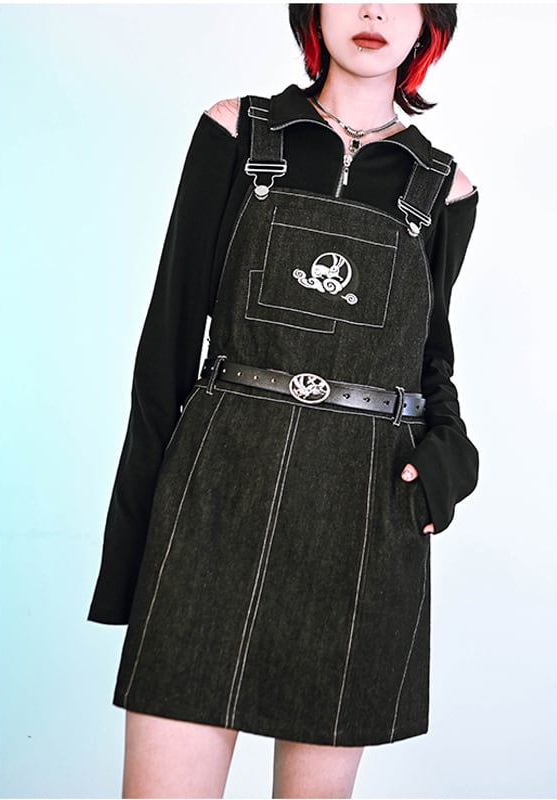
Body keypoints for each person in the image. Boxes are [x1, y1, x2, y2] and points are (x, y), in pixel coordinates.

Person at [88, 3, 479, 797]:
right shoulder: (237, 132)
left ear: (428, 25)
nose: (372, 10)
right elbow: (166, 346)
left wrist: (452, 452)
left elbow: (430, 357)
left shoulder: (447, 188)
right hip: (215, 502)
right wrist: (127, 564)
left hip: (363, 519)